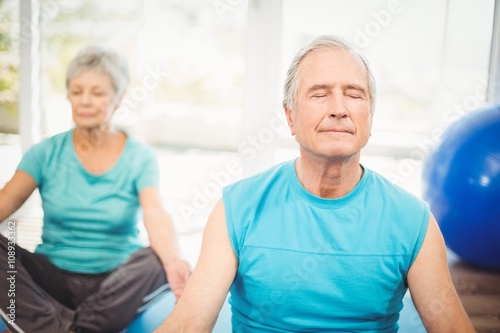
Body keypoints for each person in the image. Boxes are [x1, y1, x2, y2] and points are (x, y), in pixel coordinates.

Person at [154, 35, 475, 333]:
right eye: (320, 94)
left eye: (354, 94)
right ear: (290, 116)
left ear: (371, 116)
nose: (338, 109)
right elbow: (190, 322)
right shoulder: (236, 209)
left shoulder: (412, 220)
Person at [0, 45, 191, 333]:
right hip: (51, 282)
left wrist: (174, 259)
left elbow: (155, 212)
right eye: (77, 92)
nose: (85, 101)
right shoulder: (45, 153)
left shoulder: (138, 156)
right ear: (68, 96)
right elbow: (6, 200)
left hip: (115, 285)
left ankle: (70, 328)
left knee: (156, 260)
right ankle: (62, 328)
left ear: (119, 98)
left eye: (98, 93)